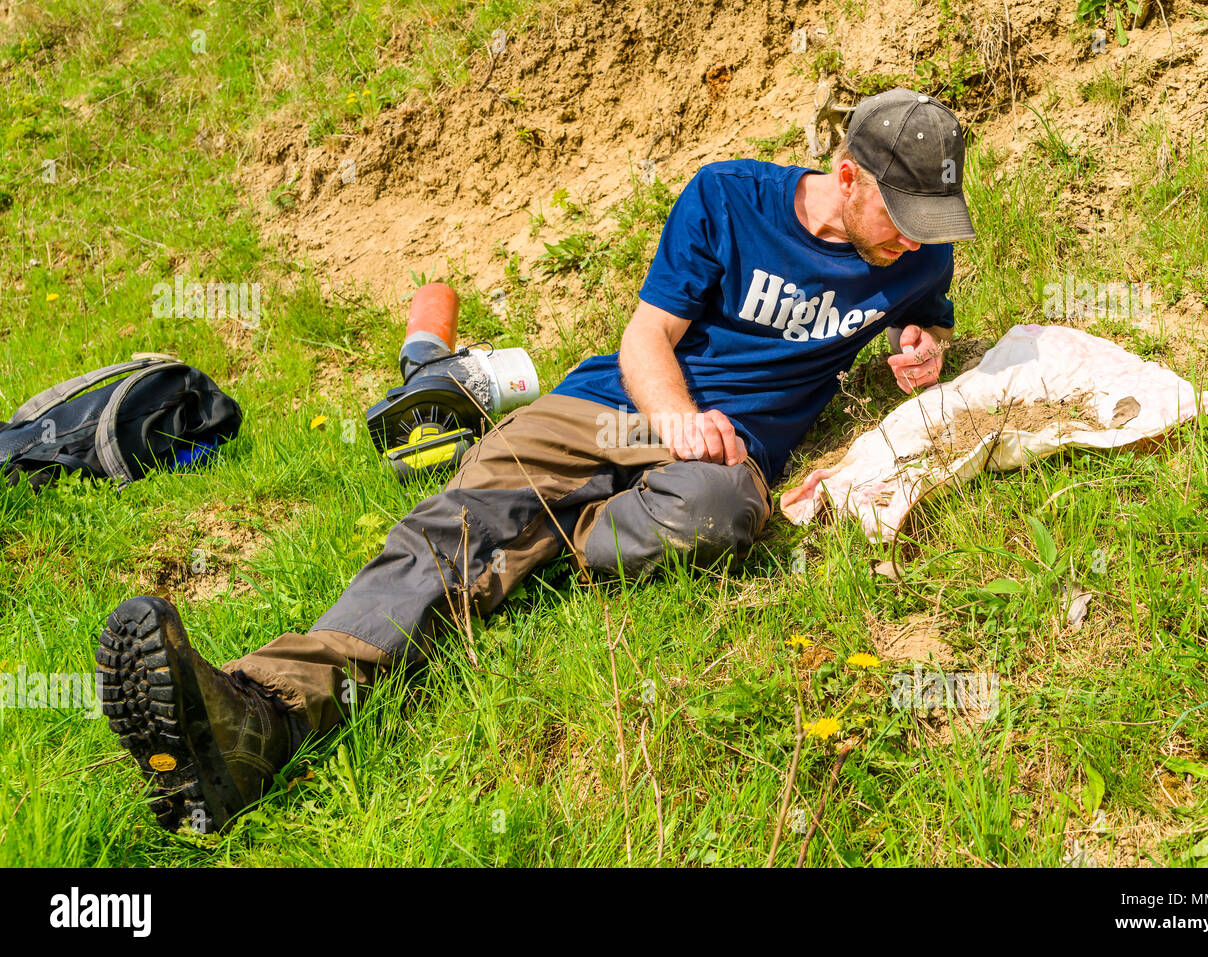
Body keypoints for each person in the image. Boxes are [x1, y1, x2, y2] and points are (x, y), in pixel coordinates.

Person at [95, 89, 978, 833]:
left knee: (722, 513)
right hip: (614, 410)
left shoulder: (915, 252)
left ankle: (533, 538)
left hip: (716, 467)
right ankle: (261, 717)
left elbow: (927, 311)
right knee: (455, 523)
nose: (912, 238)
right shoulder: (727, 198)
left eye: (928, 224)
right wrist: (677, 421)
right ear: (849, 175)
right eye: (899, 217)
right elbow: (646, 340)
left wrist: (920, 341)